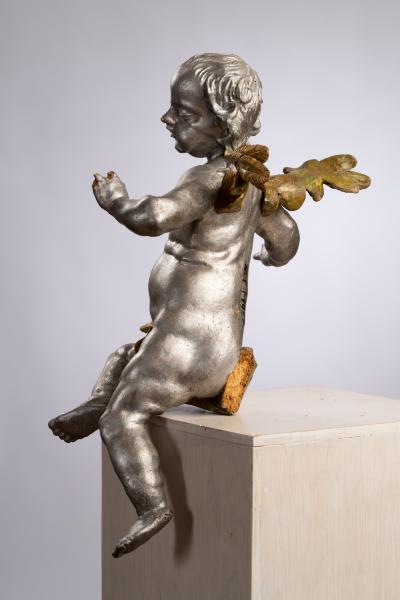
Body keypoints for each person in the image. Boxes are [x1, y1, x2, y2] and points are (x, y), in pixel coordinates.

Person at [49, 53, 300, 558]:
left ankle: (152, 506)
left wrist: (116, 200)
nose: (168, 119)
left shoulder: (209, 180)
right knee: (121, 357)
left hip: (191, 345)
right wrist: (273, 254)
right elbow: (286, 233)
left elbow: (155, 216)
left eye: (184, 114)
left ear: (222, 123)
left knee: (123, 420)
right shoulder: (251, 183)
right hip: (198, 341)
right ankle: (97, 405)